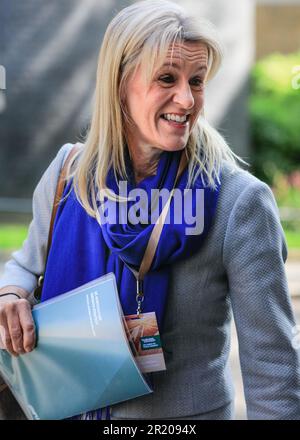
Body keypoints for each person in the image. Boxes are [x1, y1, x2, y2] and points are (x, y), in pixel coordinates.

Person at [0, 0, 299, 420]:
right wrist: (10, 291)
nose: (187, 99)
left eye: (197, 81)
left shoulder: (238, 202)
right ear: (119, 82)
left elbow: (273, 369)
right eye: (166, 78)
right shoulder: (68, 174)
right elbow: (26, 264)